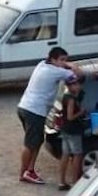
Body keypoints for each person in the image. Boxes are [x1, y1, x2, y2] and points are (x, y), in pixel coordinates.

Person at [18, 47, 82, 184]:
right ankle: (24, 173)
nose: (64, 62)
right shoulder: (56, 72)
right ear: (53, 59)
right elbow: (78, 74)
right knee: (30, 144)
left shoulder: (42, 64)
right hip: (35, 111)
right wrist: (70, 65)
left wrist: (64, 63)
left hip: (24, 107)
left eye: (66, 59)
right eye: (62, 60)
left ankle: (30, 170)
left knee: (37, 140)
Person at [58, 74, 88, 191]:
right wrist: (81, 112)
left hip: (65, 129)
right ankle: (75, 182)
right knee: (77, 155)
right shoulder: (71, 99)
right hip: (73, 129)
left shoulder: (66, 96)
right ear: (69, 86)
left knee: (65, 154)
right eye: (74, 84)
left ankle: (62, 182)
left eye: (78, 84)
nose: (77, 86)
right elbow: (70, 117)